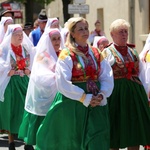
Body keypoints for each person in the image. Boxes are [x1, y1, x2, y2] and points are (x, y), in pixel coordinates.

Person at [36, 17, 114, 150]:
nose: (85, 31)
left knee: (98, 139)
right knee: (74, 140)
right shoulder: (67, 54)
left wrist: (102, 95)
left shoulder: (96, 52)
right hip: (73, 103)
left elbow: (106, 75)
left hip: (96, 102)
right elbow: (62, 82)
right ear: (72, 33)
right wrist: (84, 97)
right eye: (80, 29)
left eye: (86, 28)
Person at [102, 19, 150, 150]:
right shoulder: (107, 53)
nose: (124, 34)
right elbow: (103, 75)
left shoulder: (133, 51)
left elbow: (141, 73)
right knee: (115, 128)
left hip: (135, 94)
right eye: (120, 32)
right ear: (112, 34)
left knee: (134, 129)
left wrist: (145, 93)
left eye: (125, 31)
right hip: (116, 94)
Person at [18, 28, 63, 148]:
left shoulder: (63, 53)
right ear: (48, 41)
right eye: (54, 39)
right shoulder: (43, 56)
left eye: (59, 38)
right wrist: (57, 77)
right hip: (44, 96)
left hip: (59, 95)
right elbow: (39, 76)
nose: (57, 41)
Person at [0, 24, 35, 150]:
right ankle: (11, 141)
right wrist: (6, 71)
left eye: (21, 34)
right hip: (11, 83)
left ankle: (27, 141)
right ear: (10, 36)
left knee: (26, 111)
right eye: (17, 35)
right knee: (12, 111)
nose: (20, 37)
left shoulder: (25, 48)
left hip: (24, 82)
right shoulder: (4, 50)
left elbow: (34, 63)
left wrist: (28, 70)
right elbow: (1, 65)